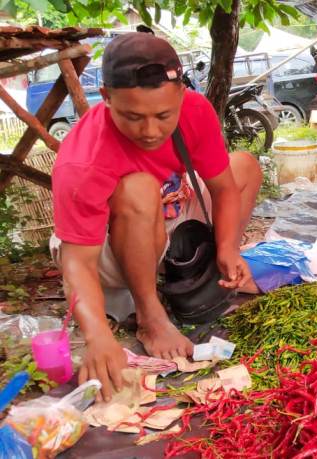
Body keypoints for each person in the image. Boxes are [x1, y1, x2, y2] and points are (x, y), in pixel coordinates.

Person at [49, 33, 263, 400]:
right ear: (106, 99)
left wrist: (228, 247)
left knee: (243, 167)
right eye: (132, 117)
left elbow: (225, 189)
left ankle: (208, 269)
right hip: (101, 251)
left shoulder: (196, 111)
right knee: (139, 188)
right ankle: (150, 315)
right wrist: (97, 336)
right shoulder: (82, 159)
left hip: (161, 217)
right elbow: (77, 263)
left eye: (163, 116)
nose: (150, 131)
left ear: (181, 95)